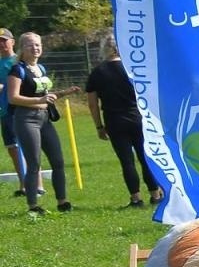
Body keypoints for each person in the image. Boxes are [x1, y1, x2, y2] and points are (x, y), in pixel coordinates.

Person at [85, 34, 163, 208]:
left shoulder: (97, 73)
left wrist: (99, 126)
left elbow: (92, 104)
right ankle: (155, 193)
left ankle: (136, 198)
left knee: (126, 161)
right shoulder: (133, 69)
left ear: (104, 49)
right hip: (137, 117)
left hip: (114, 120)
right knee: (145, 158)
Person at [6, 31, 71, 216]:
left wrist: (64, 92)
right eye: (30, 45)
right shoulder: (17, 69)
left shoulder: (41, 69)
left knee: (58, 160)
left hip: (44, 118)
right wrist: (40, 101)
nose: (35, 48)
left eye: (38, 45)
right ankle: (33, 205)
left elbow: (45, 96)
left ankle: (62, 201)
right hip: (26, 119)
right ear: (22, 48)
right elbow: (13, 98)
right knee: (34, 162)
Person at [0, 28, 23, 195]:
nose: (1, 44)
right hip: (4, 112)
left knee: (25, 147)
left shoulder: (18, 61)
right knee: (12, 148)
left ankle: (34, 185)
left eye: (4, 40)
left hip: (20, 110)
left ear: (12, 42)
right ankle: (23, 183)